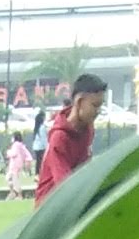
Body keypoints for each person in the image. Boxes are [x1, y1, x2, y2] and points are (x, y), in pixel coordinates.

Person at [35, 74, 107, 202]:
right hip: (51, 207)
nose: (98, 111)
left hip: (74, 198)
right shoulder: (59, 138)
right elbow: (64, 185)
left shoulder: (88, 129)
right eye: (95, 105)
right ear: (79, 102)